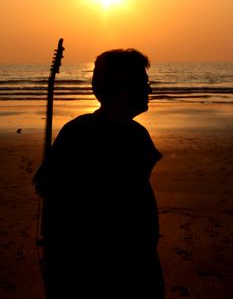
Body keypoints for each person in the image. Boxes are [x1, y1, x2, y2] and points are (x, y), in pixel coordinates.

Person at [33, 48, 165, 298]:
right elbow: (51, 197)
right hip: (99, 272)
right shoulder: (78, 134)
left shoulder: (138, 134)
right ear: (121, 89)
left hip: (139, 262)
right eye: (142, 82)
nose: (149, 89)